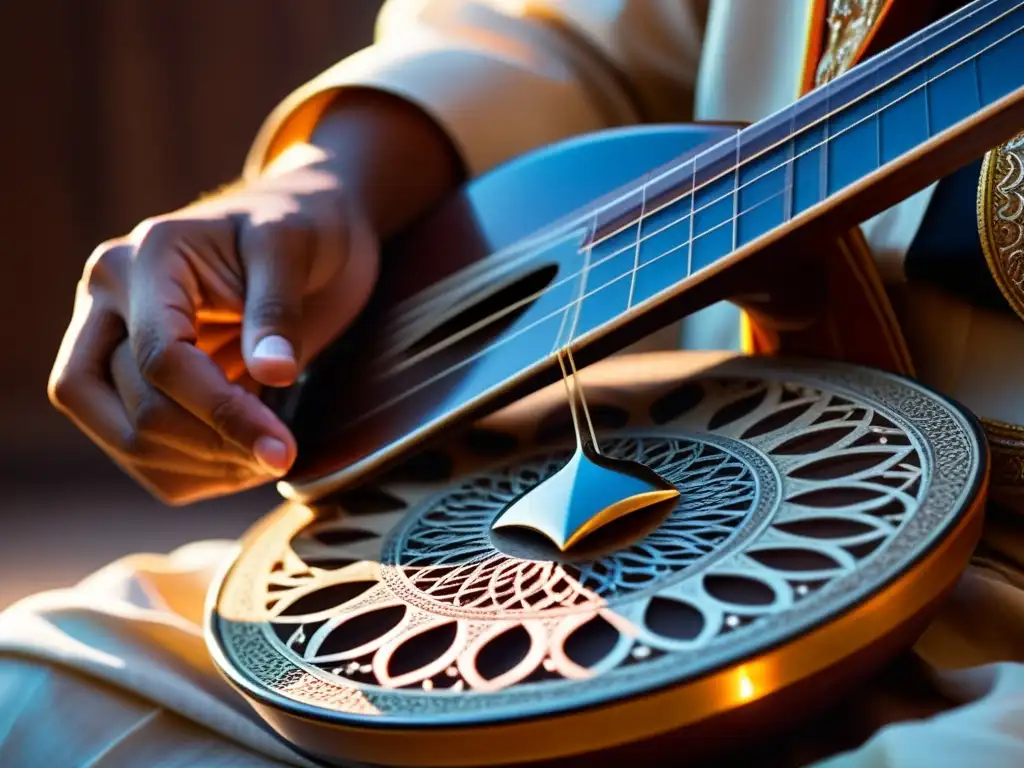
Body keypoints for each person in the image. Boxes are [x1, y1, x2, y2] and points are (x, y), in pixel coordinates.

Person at [3, 1, 1023, 765]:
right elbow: (577, 30)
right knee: (26, 699)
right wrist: (326, 184)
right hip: (658, 558)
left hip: (994, 683)